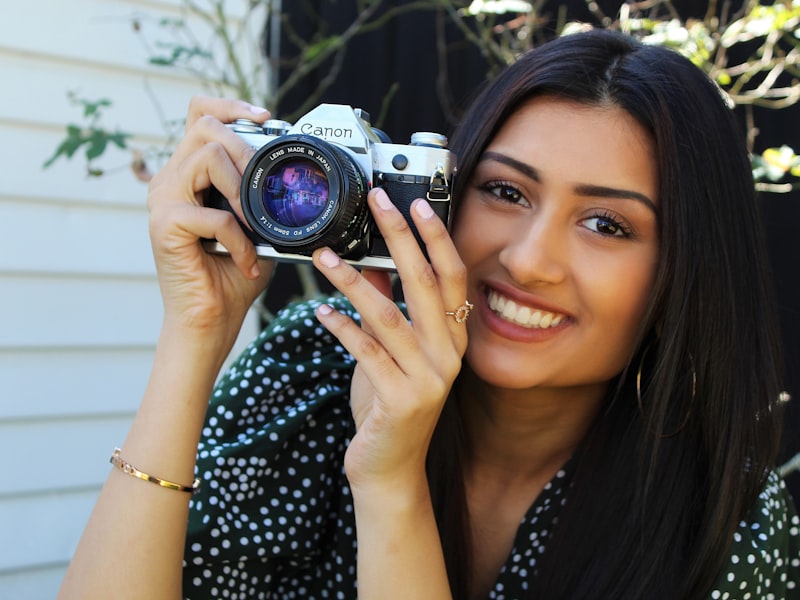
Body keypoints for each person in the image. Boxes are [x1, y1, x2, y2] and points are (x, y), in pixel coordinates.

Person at [58, 28, 799, 599]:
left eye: (606, 225)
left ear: (682, 276)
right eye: (506, 192)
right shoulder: (307, 378)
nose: (530, 260)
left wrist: (390, 482)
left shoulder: (726, 520)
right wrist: (193, 339)